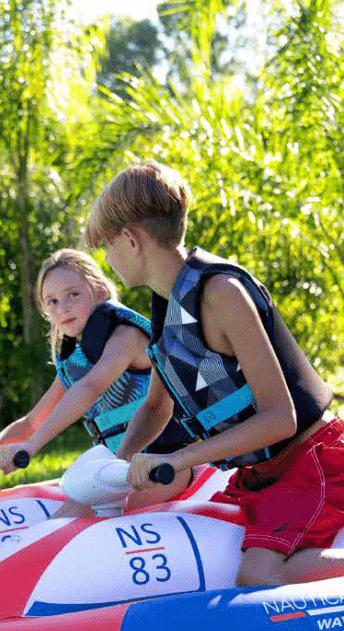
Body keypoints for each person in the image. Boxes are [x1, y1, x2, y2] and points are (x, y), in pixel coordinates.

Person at [84, 159, 344, 587]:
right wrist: (118, 470)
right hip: (259, 476)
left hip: (309, 461)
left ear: (131, 240)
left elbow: (281, 417)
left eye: (107, 247)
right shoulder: (165, 304)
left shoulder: (221, 293)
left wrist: (180, 458)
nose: (108, 260)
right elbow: (154, 407)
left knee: (260, 577)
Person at [0, 247, 189, 569]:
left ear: (100, 292)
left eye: (73, 294)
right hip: (119, 468)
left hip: (165, 466)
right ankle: (15, 548)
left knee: (79, 501)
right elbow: (32, 421)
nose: (63, 307)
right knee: (45, 491)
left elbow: (89, 389)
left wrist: (31, 448)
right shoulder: (77, 362)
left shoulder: (126, 336)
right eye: (52, 302)